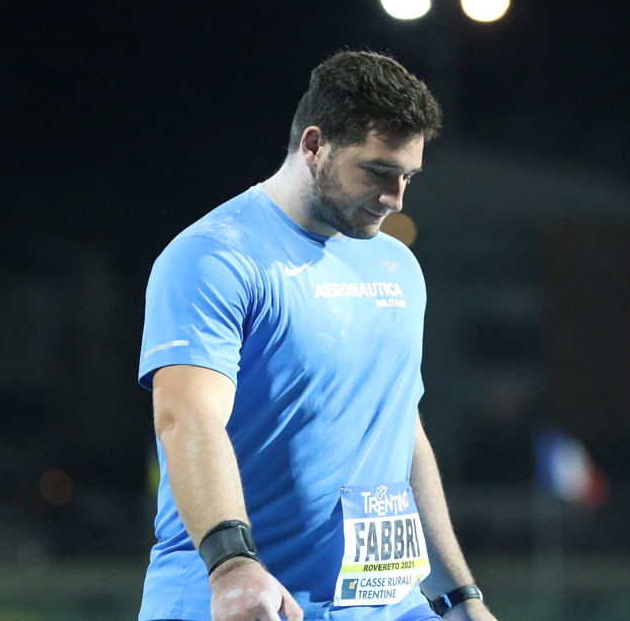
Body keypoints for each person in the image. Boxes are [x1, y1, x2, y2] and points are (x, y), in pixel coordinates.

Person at [138, 51, 498, 621]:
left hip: (387, 607)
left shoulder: (398, 268)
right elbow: (187, 417)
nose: (396, 198)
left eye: (407, 177)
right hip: (244, 601)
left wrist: (458, 598)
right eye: (378, 171)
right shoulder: (213, 257)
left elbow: (400, 430)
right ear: (313, 145)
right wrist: (231, 565)